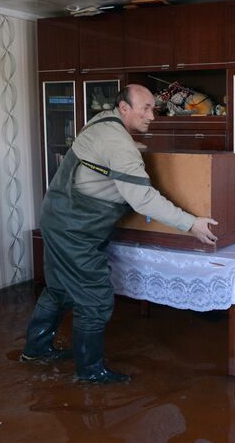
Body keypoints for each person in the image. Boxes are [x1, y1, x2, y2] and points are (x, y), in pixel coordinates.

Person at [21, 84, 218, 384]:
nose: (153, 115)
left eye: (154, 107)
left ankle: (35, 350)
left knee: (59, 289)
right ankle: (90, 371)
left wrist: (134, 149)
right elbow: (143, 199)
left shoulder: (102, 122)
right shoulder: (119, 144)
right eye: (146, 108)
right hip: (75, 228)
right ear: (124, 108)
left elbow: (103, 153)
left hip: (57, 217)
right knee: (95, 298)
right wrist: (191, 224)